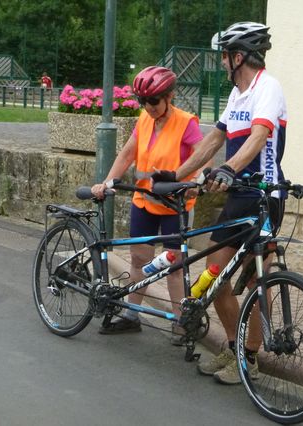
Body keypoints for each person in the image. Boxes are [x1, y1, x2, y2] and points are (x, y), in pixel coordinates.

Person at [153, 22, 288, 384]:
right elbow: (214, 140)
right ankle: (232, 347)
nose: (222, 63)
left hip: (264, 197)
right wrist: (176, 175)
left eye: (225, 56)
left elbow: (259, 136)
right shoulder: (237, 96)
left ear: (238, 56)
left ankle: (250, 360)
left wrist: (229, 168)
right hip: (238, 196)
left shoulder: (267, 88)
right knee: (215, 277)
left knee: (257, 280)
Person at [90, 66, 206, 341]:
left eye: (153, 100)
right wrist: (107, 182)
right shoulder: (144, 119)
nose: (148, 106)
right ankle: (131, 314)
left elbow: (203, 156)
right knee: (139, 259)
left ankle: (180, 323)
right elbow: (127, 153)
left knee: (174, 267)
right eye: (143, 101)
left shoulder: (186, 122)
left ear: (170, 96)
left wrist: (197, 184)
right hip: (143, 201)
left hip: (173, 206)